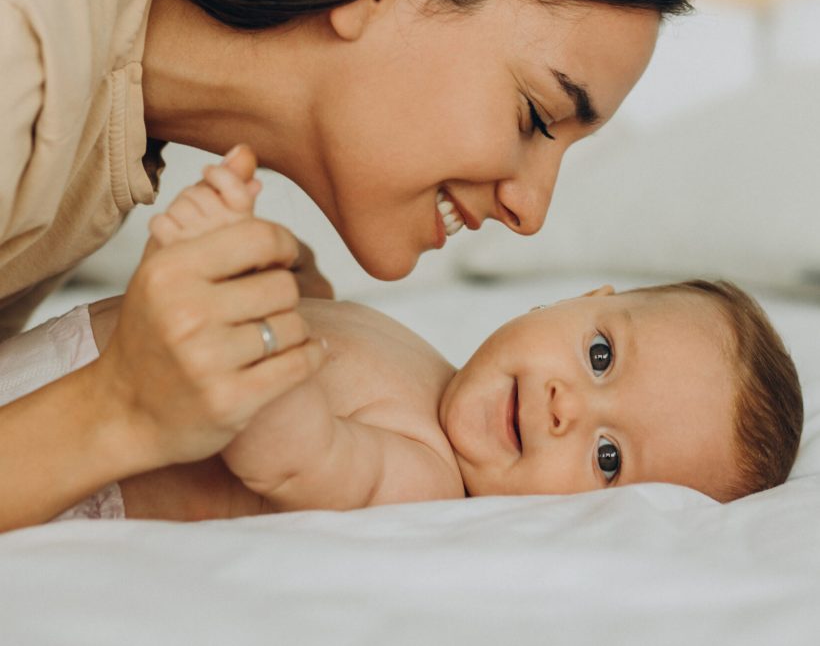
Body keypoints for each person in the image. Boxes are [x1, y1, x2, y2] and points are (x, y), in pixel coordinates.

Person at [0, 0, 690, 529]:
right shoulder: (23, 30)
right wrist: (121, 406)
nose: (532, 210)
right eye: (536, 116)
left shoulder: (105, 139)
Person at [3, 156, 800, 525]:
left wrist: (233, 290)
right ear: (581, 299)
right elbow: (339, 353)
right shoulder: (427, 362)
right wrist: (300, 283)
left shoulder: (422, 476)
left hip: (64, 476)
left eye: (608, 458)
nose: (567, 407)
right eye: (600, 357)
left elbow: (291, 450)